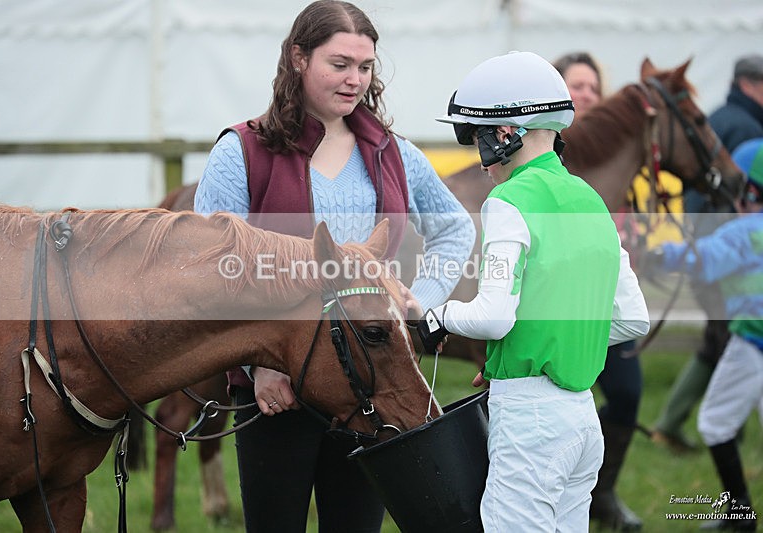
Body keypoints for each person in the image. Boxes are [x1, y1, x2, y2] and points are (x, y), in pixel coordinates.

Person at [194, 2, 475, 532]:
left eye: (366, 67)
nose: (355, 80)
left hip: (369, 386)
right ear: (298, 58)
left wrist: (419, 299)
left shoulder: (394, 153)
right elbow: (214, 266)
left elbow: (455, 229)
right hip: (275, 392)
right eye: (340, 63)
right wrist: (260, 365)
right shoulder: (243, 152)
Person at [419, 51, 650, 531]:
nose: (481, 164)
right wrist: (544, 346)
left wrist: (439, 316)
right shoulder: (591, 199)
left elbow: (492, 317)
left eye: (478, 142)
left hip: (531, 423)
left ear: (507, 134)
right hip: (583, 420)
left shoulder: (506, 200)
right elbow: (632, 318)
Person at [645, 137, 763, 531]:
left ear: (748, 190)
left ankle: (739, 513)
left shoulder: (744, 231)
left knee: (714, 421)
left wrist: (656, 256)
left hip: (752, 342)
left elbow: (704, 257)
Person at [650, 54, 763, 454]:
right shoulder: (747, 128)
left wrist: (666, 254)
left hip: (713, 249)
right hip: (719, 250)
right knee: (719, 341)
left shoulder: (715, 116)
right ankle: (676, 422)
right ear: (753, 84)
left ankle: (682, 424)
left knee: (719, 344)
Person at [554, 51, 646, 530]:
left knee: (628, 393)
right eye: (576, 86)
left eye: (593, 87)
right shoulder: (544, 154)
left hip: (607, 301)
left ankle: (601, 493)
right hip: (562, 304)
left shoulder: (617, 157)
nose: (586, 94)